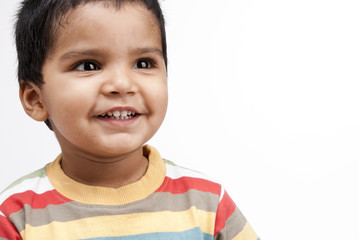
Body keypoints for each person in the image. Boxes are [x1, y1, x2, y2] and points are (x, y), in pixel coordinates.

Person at [0, 0, 259, 239]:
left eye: (143, 63)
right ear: (36, 98)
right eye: (88, 65)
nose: (122, 84)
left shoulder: (208, 204)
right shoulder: (15, 215)